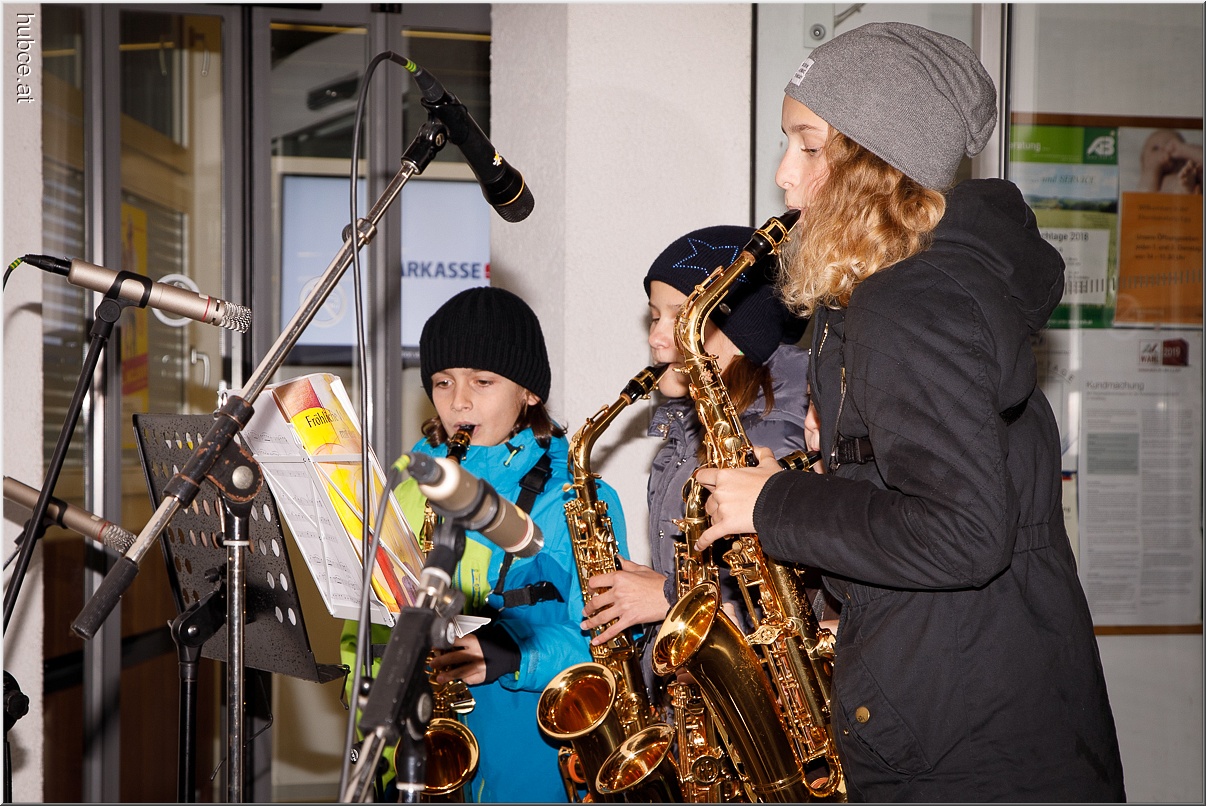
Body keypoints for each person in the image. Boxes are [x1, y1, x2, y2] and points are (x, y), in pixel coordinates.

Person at [694, 22, 1126, 802]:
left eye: (810, 146)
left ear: (877, 166)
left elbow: (962, 536)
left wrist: (775, 503)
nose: (785, 175)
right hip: (989, 711)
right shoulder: (937, 287)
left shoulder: (910, 302)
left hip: (962, 744)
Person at [341, 286, 629, 803]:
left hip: (533, 763)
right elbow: (363, 632)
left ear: (529, 392)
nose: (459, 401)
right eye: (443, 382)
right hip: (416, 751)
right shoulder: (406, 491)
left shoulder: (579, 499)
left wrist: (512, 652)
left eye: (483, 381)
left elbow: (609, 647)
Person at [578, 225, 824, 704]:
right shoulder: (685, 428)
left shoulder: (781, 435)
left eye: (679, 316)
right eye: (655, 317)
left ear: (742, 331)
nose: (655, 338)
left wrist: (666, 597)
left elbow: (790, 595)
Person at [1138, 127, 1203, 194]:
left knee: (1184, 178)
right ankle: (1185, 187)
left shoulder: (1185, 173)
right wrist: (1153, 168)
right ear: (1142, 160)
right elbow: (1145, 194)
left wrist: (1183, 149)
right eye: (1155, 148)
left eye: (1172, 147)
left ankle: (1187, 186)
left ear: (1185, 161)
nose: (1165, 151)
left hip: (1185, 187)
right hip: (1159, 198)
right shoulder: (1146, 178)